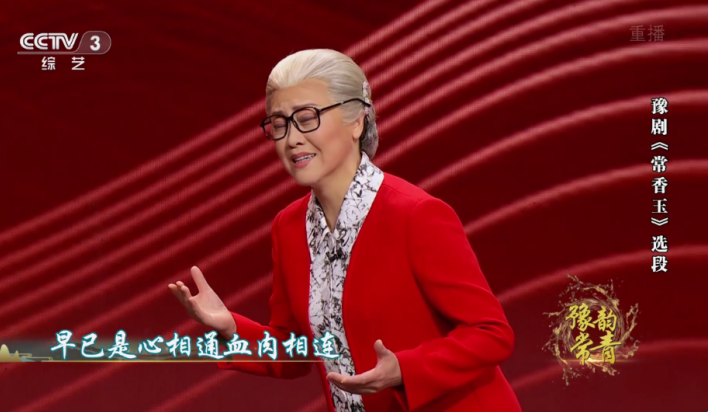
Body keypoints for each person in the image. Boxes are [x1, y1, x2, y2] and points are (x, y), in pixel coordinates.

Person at [169, 49, 522, 412]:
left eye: (307, 118)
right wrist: (230, 327)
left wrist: (404, 370)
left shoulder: (415, 214)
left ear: (356, 122)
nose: (291, 139)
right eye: (279, 124)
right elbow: (299, 351)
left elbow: (491, 333)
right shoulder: (288, 227)